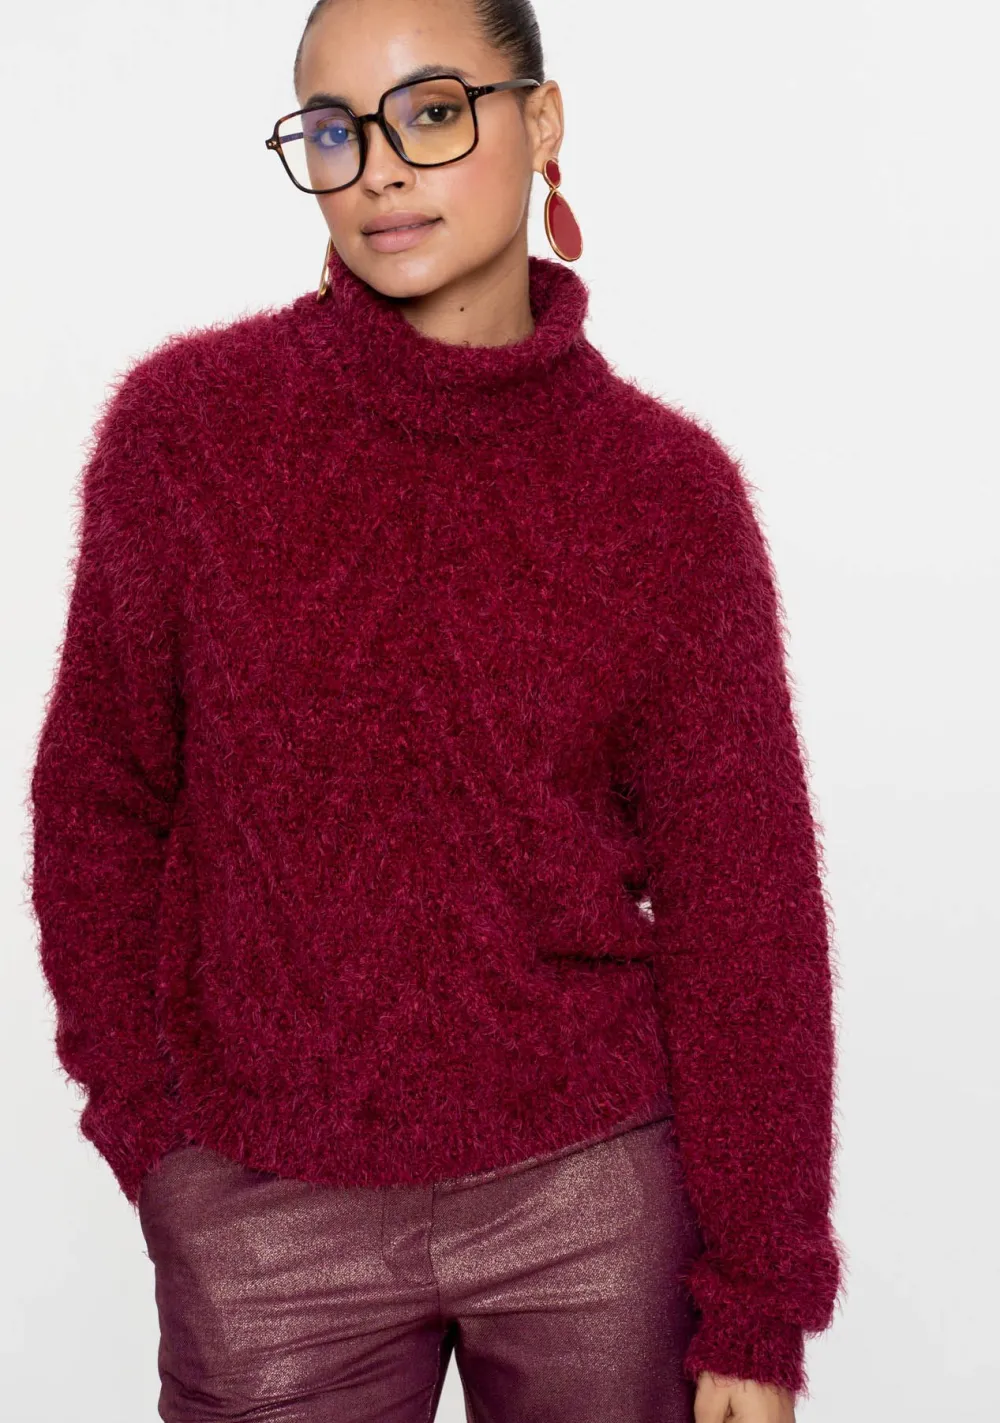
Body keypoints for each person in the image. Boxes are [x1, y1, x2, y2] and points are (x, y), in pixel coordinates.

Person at [27, 1, 845, 1420]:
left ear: (543, 121)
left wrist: (761, 1303)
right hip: (264, 1201)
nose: (381, 168)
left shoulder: (666, 498)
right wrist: (150, 1128)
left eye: (433, 111)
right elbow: (99, 796)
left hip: (595, 1200)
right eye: (334, 130)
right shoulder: (186, 437)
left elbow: (745, 910)